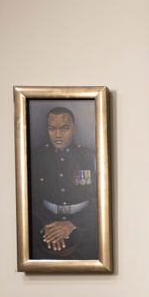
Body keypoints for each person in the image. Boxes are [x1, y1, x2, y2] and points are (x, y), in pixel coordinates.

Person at [28, 107, 98, 260]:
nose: (58, 135)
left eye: (64, 128)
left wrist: (73, 224)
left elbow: (101, 201)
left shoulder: (91, 158)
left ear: (74, 129)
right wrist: (49, 226)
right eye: (52, 129)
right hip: (46, 228)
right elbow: (30, 200)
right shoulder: (35, 159)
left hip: (84, 227)